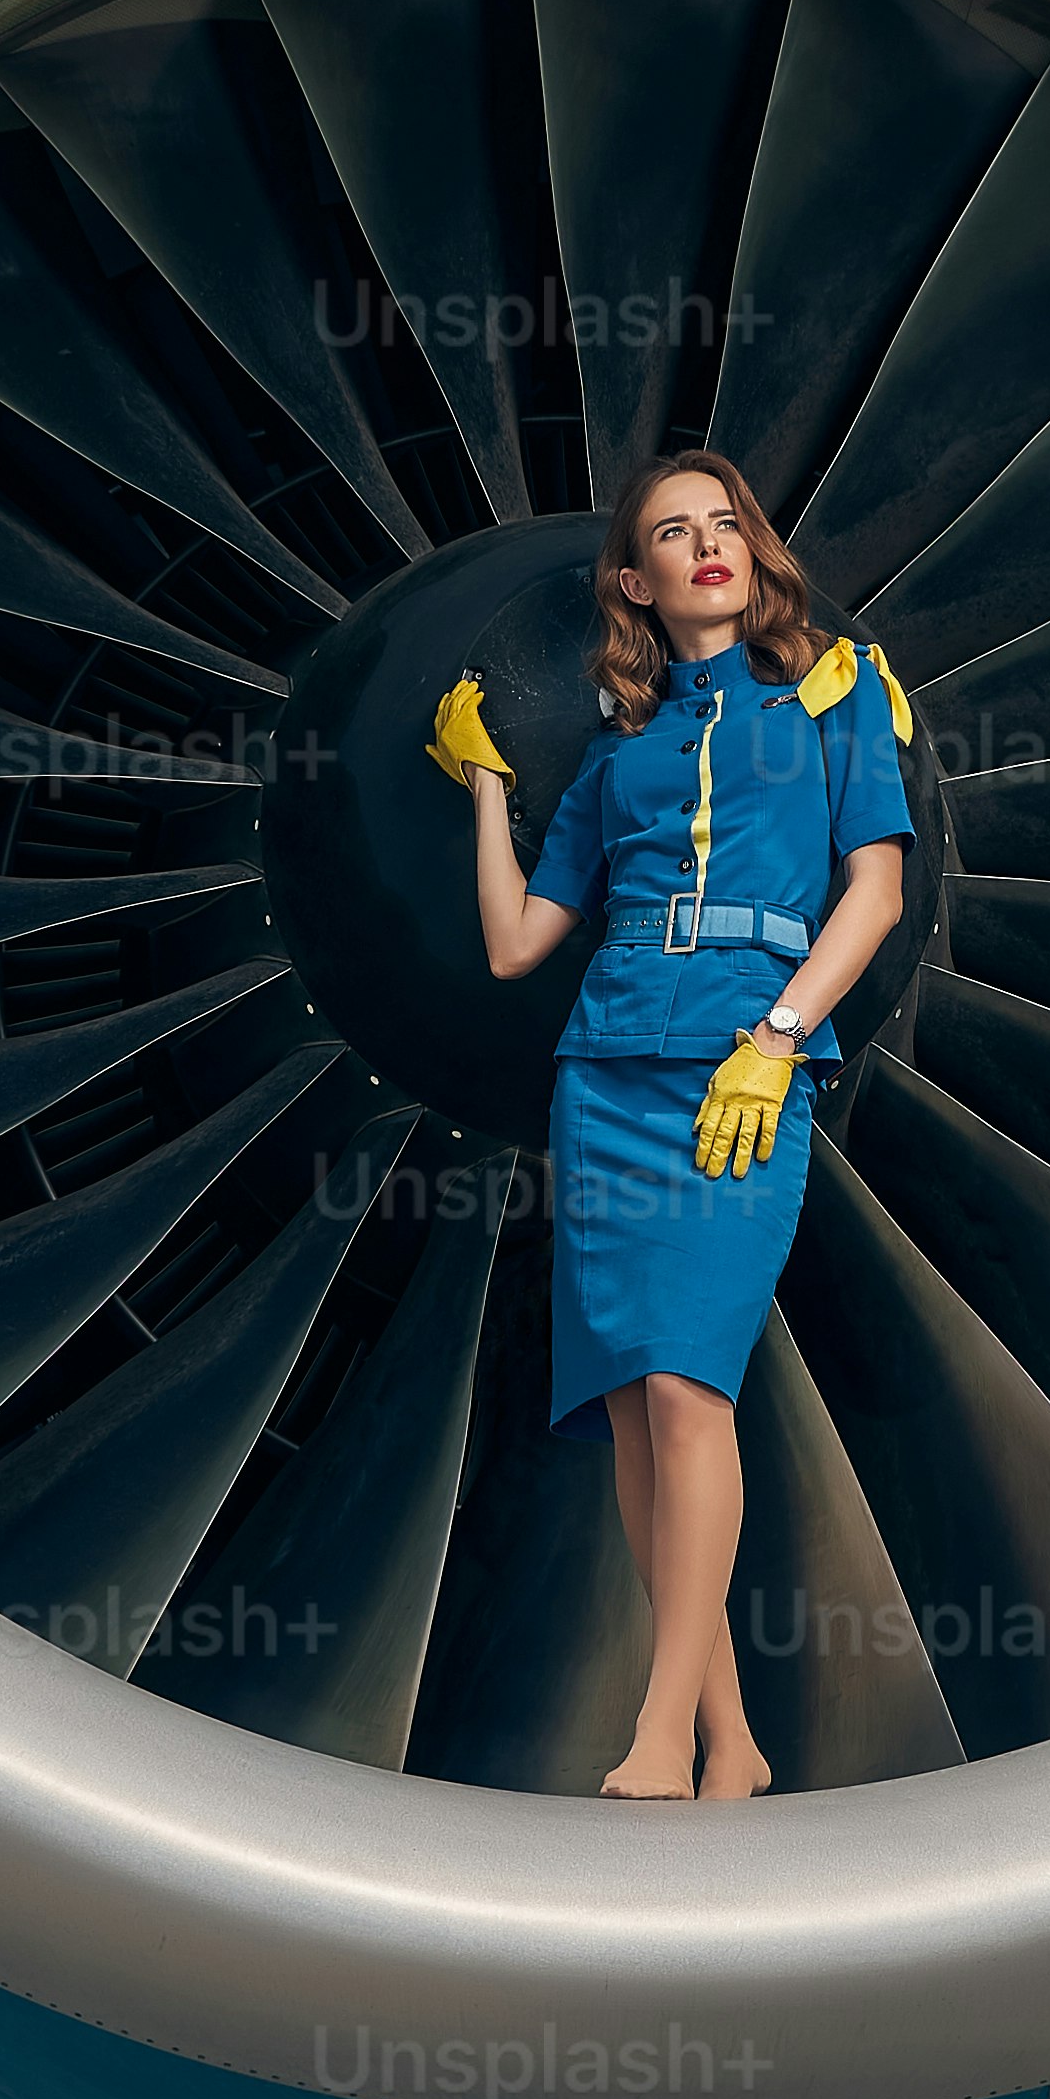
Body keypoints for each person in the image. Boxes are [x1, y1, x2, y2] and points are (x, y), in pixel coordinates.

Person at [428, 457, 912, 1800]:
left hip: (736, 1071)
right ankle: (732, 1743)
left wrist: (774, 1040)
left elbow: (870, 894)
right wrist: (483, 787)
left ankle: (654, 1736)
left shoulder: (837, 693)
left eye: (723, 526)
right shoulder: (617, 759)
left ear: (753, 553)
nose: (705, 547)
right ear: (634, 582)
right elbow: (521, 941)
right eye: (670, 535)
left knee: (693, 1388)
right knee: (639, 1411)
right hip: (607, 1074)